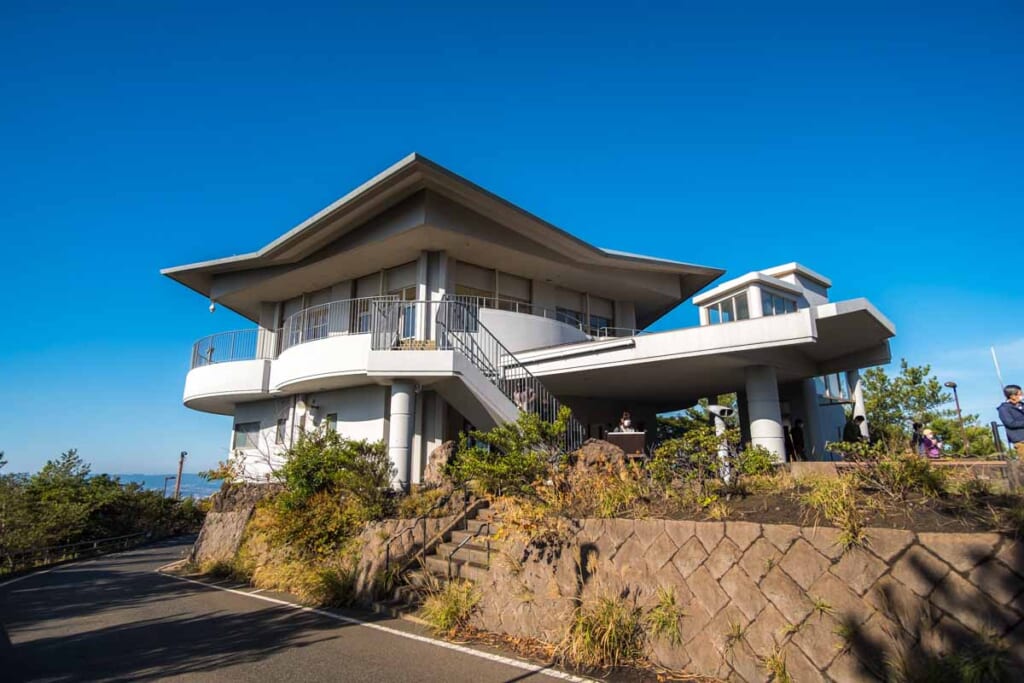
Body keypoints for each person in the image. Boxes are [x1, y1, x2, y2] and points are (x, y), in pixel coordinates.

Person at [997, 384, 1024, 459]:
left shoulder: (1022, 405)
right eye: (1020, 394)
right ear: (1012, 396)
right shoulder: (1004, 409)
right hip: (1021, 440)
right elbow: (1010, 423)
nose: (1022, 395)